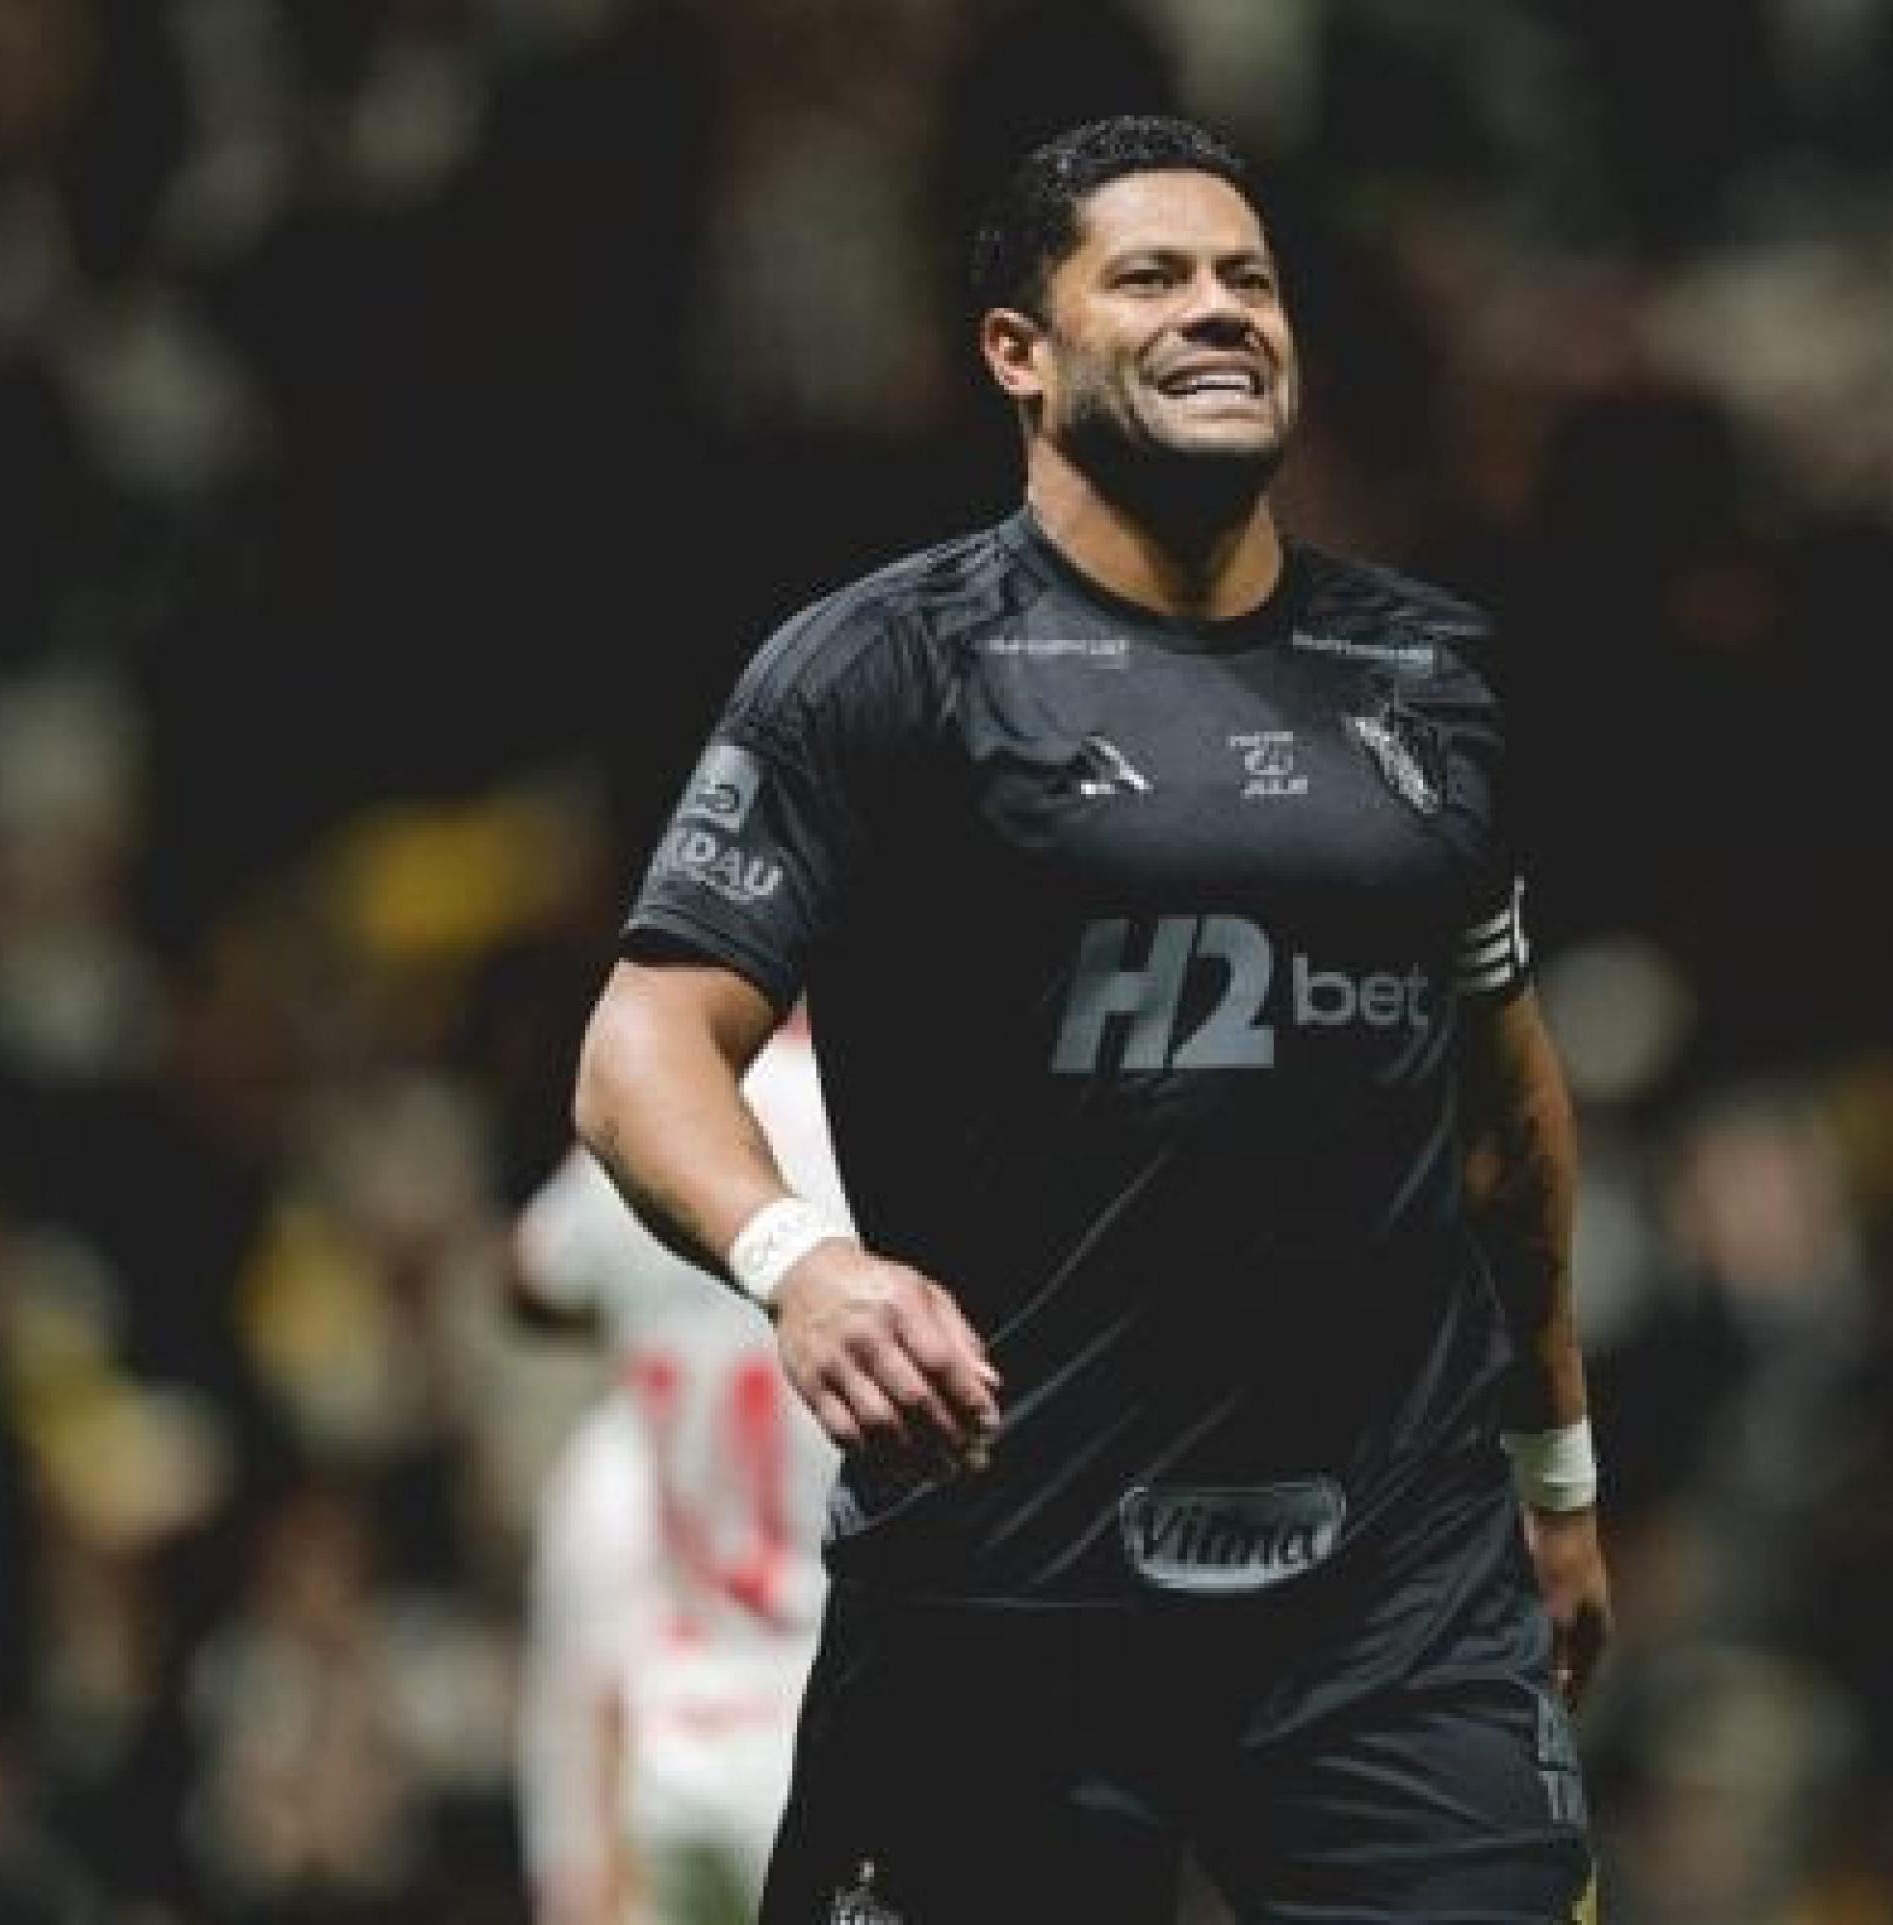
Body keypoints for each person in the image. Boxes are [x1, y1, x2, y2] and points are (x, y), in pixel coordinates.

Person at [572, 112, 1610, 1923]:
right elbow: (638, 1049)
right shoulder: (885, 669)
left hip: (1395, 1597)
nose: (1220, 311)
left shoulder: (1429, 678)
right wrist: (805, 1266)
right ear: (1019, 355)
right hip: (1007, 1599)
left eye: (1248, 280)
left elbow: (1505, 1118)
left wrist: (1560, 1470)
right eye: (1151, 277)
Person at [515, 1018, 850, 1925]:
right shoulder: (890, 1116)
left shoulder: (654, 1111)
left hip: (677, 1739)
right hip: (834, 1727)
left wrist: (663, 1291)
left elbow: (532, 1277)